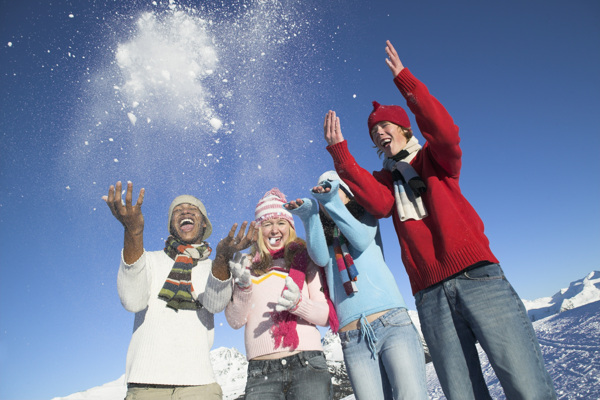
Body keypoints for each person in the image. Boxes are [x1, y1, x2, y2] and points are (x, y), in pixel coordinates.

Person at [322, 41, 557, 400]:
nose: (380, 134)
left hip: (478, 277)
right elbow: (377, 203)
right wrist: (341, 154)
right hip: (430, 295)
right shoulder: (385, 182)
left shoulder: (436, 160)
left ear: (404, 129)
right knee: (463, 394)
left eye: (385, 126)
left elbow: (446, 133)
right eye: (374, 133)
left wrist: (406, 82)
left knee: (526, 386)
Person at [103, 180, 256, 400]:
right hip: (146, 386)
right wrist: (133, 231)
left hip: (200, 386)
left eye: (193, 209)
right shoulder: (148, 260)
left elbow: (215, 304)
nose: (185, 211)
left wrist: (222, 257)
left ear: (203, 224)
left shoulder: (214, 268)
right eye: (178, 210)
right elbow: (132, 301)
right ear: (171, 224)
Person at [285, 170, 428, 400]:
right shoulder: (326, 233)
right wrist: (310, 216)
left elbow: (359, 240)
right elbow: (320, 258)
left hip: (391, 322)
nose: (326, 192)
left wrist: (331, 202)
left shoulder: (365, 215)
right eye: (322, 190)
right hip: (352, 336)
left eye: (331, 188)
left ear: (348, 194)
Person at [225, 188, 334, 400]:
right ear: (259, 230)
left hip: (308, 364)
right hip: (261, 371)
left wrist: (298, 304)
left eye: (281, 222)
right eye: (267, 224)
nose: (275, 230)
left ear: (290, 227)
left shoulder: (306, 260)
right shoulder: (245, 265)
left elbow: (325, 316)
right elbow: (235, 321)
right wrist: (243, 289)